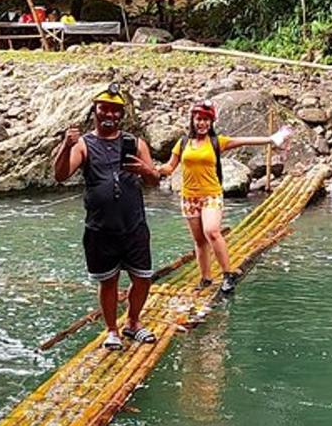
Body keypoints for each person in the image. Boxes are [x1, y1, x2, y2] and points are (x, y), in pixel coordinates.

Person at [53, 84, 162, 350]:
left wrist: (145, 170)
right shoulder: (83, 144)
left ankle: (133, 323)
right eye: (104, 109)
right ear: (95, 112)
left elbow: (153, 183)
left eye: (115, 110)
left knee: (143, 278)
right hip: (100, 228)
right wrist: (65, 147)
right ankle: (112, 329)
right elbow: (61, 174)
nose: (109, 115)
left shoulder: (136, 144)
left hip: (133, 224)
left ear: (122, 115)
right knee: (108, 281)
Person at [157, 100, 291, 294]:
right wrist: (155, 169)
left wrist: (271, 139)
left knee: (211, 231)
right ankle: (206, 278)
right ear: (192, 120)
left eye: (206, 120)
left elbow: (245, 140)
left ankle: (228, 274)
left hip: (211, 195)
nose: (202, 123)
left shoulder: (216, 142)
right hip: (188, 197)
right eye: (198, 119)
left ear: (211, 122)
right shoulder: (183, 143)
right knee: (200, 241)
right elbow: (170, 167)